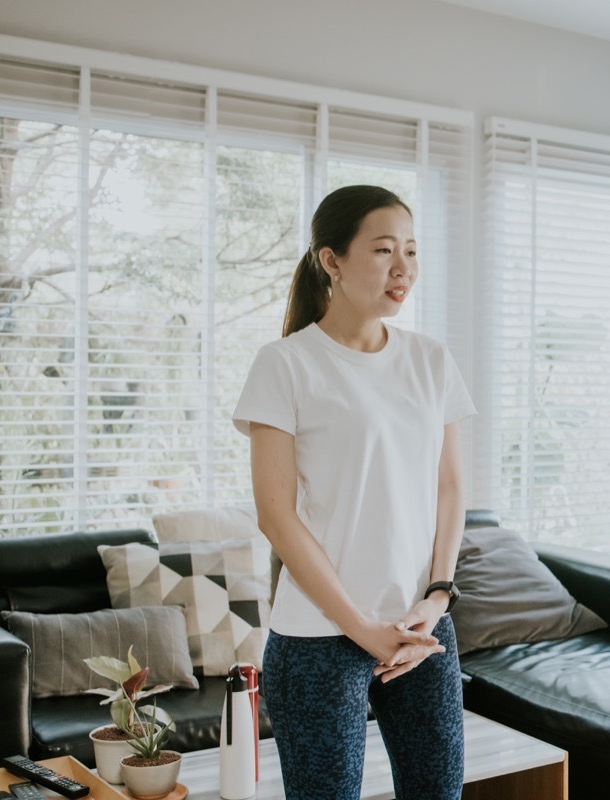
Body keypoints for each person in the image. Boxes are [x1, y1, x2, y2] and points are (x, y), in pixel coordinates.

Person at [232, 185, 475, 800]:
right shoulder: (284, 364)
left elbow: (449, 485)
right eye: (384, 250)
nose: (404, 269)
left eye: (413, 252)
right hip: (319, 634)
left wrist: (439, 595)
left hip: (422, 629)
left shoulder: (431, 360)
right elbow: (276, 514)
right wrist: (361, 627)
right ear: (331, 260)